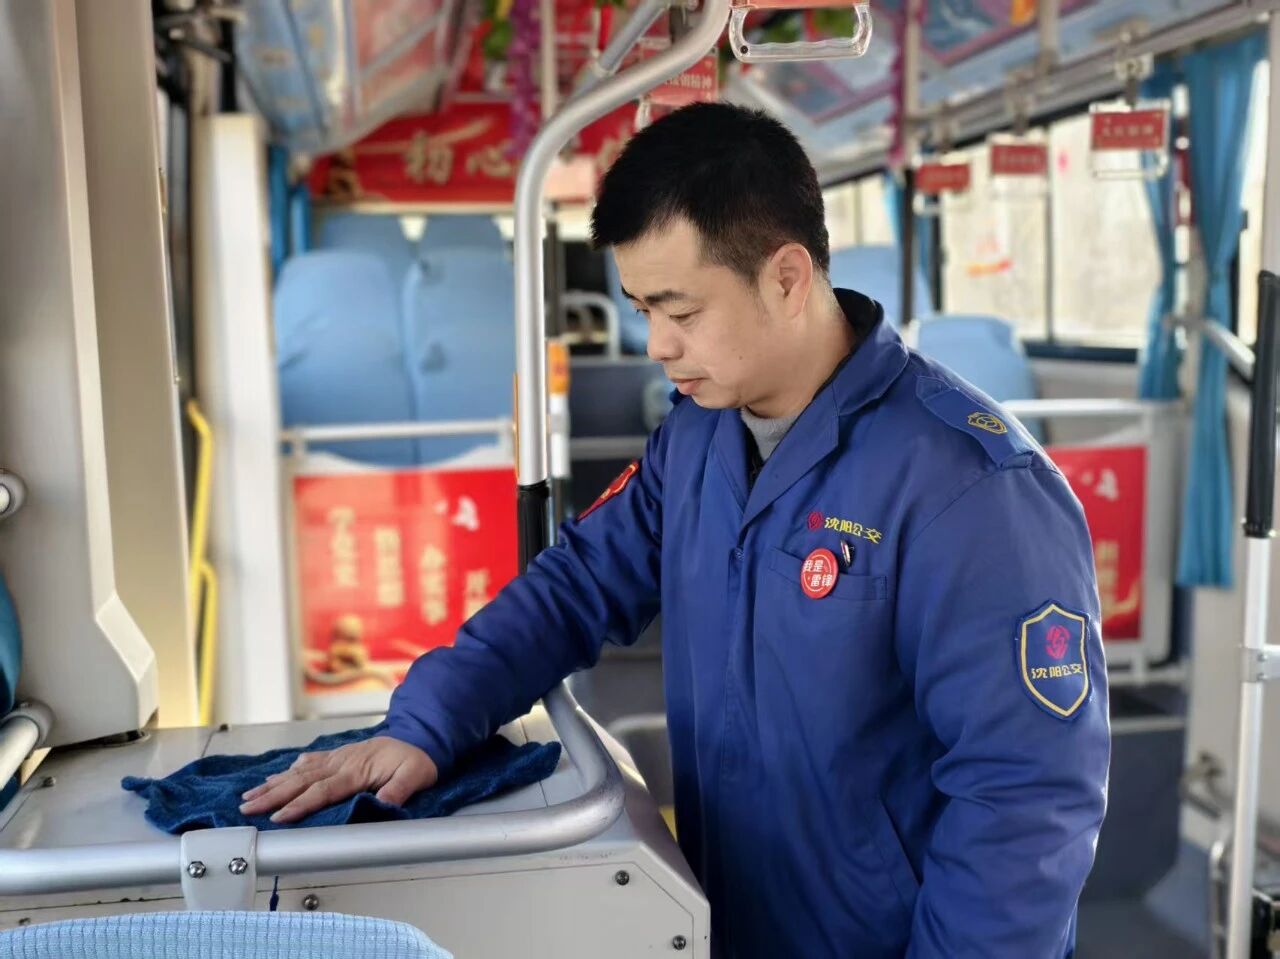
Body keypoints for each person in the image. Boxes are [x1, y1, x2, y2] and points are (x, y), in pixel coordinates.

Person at [242, 102, 1110, 958]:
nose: (656, 343)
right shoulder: (699, 437)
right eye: (641, 307)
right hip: (722, 917)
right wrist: (428, 720)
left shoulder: (971, 490)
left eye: (682, 311)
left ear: (787, 277)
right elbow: (579, 582)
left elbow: (1025, 799)